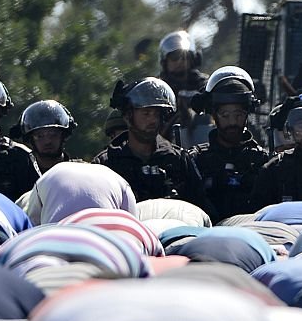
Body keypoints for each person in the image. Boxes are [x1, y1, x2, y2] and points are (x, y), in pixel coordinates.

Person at [93, 77, 212, 212]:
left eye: (156, 114)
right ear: (127, 116)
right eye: (146, 113)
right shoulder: (107, 163)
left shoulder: (178, 160)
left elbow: (201, 209)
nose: (153, 120)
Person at [188, 66, 273, 221]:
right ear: (213, 115)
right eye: (225, 115)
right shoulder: (195, 161)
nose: (232, 122)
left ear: (248, 113)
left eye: (239, 114)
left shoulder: (264, 162)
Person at [157, 29, 211, 146]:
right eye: (174, 57)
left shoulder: (205, 84)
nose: (180, 61)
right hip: (166, 144)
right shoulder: (158, 88)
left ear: (193, 59)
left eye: (184, 56)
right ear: (165, 61)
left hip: (204, 142)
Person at [17, 100, 79, 172]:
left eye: (53, 134)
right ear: (31, 139)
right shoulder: (19, 176)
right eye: (39, 136)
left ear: (63, 135)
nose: (47, 141)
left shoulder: (79, 171)